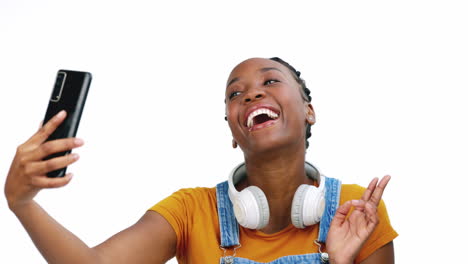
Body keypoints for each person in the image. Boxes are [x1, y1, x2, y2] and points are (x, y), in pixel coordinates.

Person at [4, 57, 397, 264]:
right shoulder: (190, 211)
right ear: (232, 129)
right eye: (235, 93)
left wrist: (342, 262)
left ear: (309, 110)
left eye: (270, 81)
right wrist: (22, 204)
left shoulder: (355, 209)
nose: (250, 95)